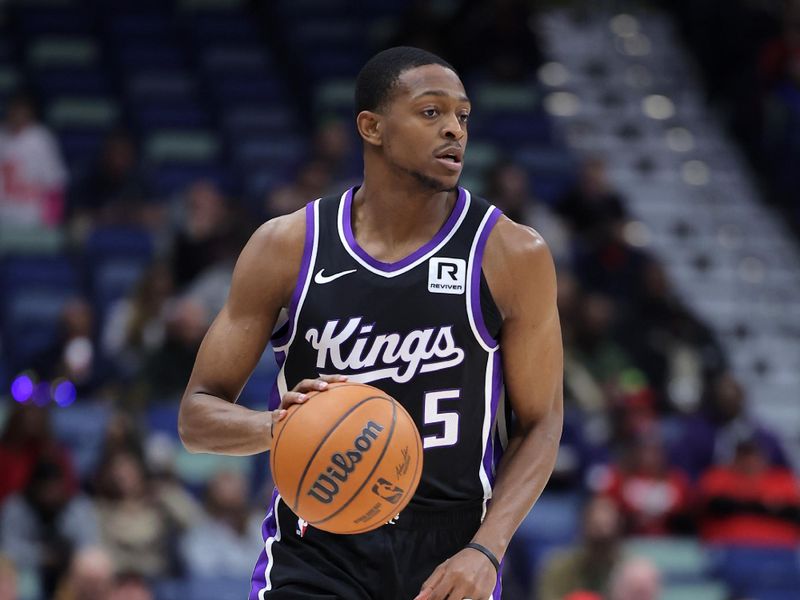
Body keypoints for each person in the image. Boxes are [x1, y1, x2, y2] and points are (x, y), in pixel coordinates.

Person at [179, 46, 563, 600]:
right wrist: (281, 430)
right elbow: (196, 416)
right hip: (317, 541)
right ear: (371, 127)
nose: (454, 129)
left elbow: (541, 423)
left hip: (449, 548)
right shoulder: (287, 246)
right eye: (431, 112)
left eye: (462, 116)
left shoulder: (511, 254)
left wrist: (487, 550)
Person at [536, 496, 624, 600]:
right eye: (596, 528)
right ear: (583, 528)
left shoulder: (626, 568)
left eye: (606, 537)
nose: (601, 538)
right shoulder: (559, 566)